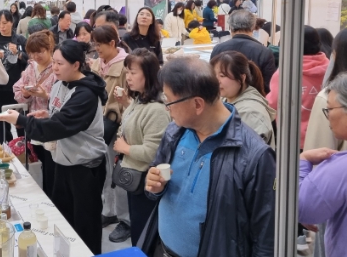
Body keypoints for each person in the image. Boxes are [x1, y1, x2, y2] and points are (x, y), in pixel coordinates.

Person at [138, 58, 276, 257]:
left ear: (197, 104)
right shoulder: (175, 132)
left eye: (169, 101)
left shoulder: (254, 156)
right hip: (162, 249)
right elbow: (155, 182)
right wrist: (155, 187)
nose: (167, 107)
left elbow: (265, 237)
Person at [0, 41, 108, 254]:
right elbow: (60, 117)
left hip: (85, 167)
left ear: (76, 65)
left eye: (59, 63)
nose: (54, 68)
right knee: (63, 218)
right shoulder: (59, 84)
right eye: (54, 62)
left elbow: (60, 126)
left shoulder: (85, 94)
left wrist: (21, 120)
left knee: (85, 224)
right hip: (62, 161)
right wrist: (47, 115)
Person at [112, 49, 171, 245]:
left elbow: (154, 152)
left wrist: (125, 148)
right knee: (138, 228)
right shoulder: (139, 99)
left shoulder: (157, 109)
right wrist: (126, 103)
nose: (128, 77)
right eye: (127, 72)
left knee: (144, 233)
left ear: (148, 74)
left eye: (133, 72)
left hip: (146, 180)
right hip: (135, 177)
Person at [298, 73, 347, 257]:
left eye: (330, 109)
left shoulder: (340, 168)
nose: (328, 116)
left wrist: (303, 161)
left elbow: (302, 207)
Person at [91, 26, 131, 242]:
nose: (96, 48)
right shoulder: (97, 63)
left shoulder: (126, 66)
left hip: (118, 127)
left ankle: (126, 220)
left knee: (120, 173)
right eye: (94, 44)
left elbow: (131, 100)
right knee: (105, 170)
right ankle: (108, 210)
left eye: (100, 44)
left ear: (113, 43)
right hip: (99, 125)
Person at [268, 26, 330, 150]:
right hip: (323, 135)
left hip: (291, 136)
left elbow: (272, 103)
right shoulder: (329, 68)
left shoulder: (285, 72)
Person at [13, 31, 57, 198]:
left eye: (40, 52)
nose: (35, 56)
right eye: (32, 53)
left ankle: (51, 198)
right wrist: (25, 94)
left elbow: (64, 99)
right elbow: (17, 90)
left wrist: (46, 96)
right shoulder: (31, 67)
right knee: (37, 161)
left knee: (51, 165)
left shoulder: (57, 68)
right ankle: (41, 196)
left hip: (51, 124)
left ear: (49, 48)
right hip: (33, 123)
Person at [210, 51, 275, 147]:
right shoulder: (225, 98)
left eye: (222, 76)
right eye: (214, 75)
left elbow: (250, 153)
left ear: (242, 78)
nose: (217, 81)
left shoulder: (251, 113)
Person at [211, 10, 276, 94]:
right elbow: (268, 86)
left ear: (230, 27)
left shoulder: (218, 49)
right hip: (254, 98)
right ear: (253, 27)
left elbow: (211, 80)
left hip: (224, 98)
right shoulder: (264, 52)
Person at [0, 10, 28, 143]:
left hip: (17, 88)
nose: (2, 26)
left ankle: (23, 147)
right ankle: (6, 146)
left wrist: (18, 54)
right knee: (0, 121)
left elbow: (30, 59)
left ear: (12, 22)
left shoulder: (20, 40)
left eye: (5, 23)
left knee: (20, 120)